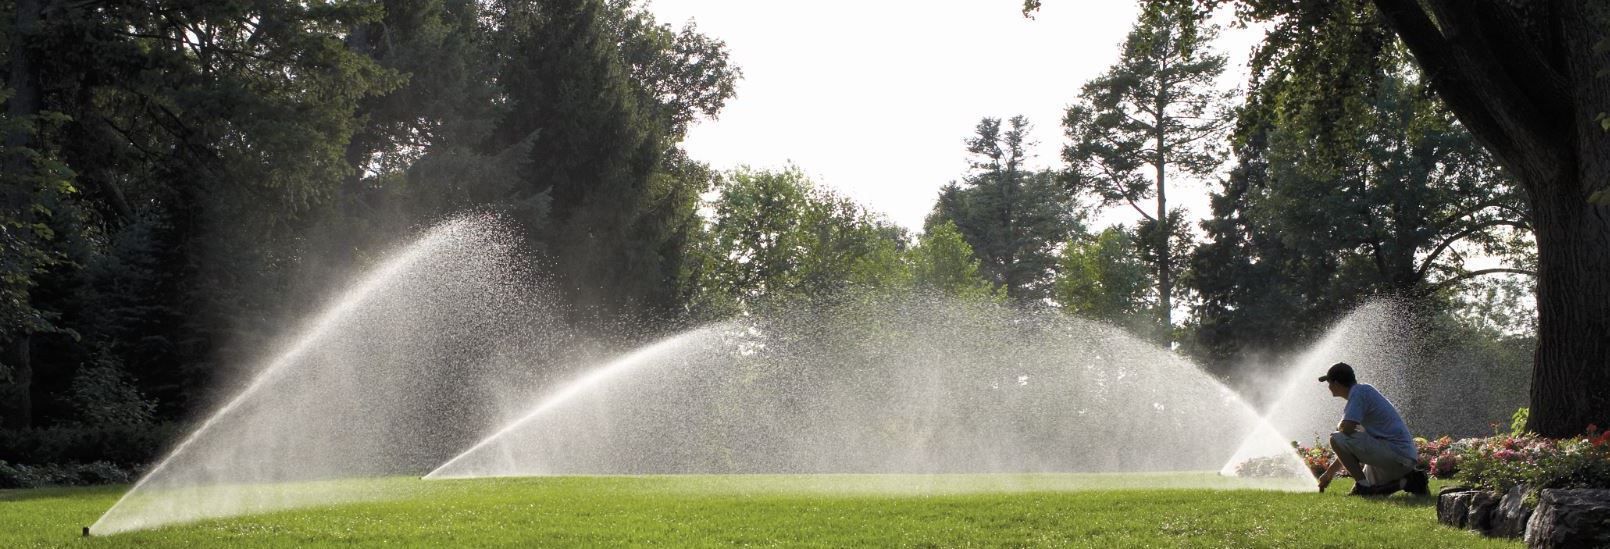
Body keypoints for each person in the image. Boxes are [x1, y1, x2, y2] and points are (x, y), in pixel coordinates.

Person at [1314, 362, 1429, 496]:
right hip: (1402, 459)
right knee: (1361, 493)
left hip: (1396, 455)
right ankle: (1410, 482)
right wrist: (1329, 474)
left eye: (1329, 383)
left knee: (1335, 438)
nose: (1329, 387)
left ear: (1337, 383)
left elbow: (1346, 429)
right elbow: (1348, 448)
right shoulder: (1363, 393)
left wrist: (1340, 426)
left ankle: (1363, 487)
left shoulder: (1358, 393)